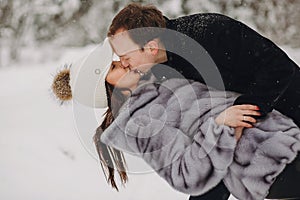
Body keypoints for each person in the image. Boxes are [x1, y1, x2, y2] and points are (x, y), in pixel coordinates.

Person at [106, 3, 300, 199]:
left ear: (151, 47)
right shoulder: (163, 73)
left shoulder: (210, 33)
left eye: (125, 57)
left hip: (292, 116)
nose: (123, 63)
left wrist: (241, 114)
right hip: (257, 154)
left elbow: (279, 68)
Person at [93, 60, 300, 200]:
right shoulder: (140, 124)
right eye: (114, 68)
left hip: (282, 138)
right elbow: (191, 171)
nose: (123, 62)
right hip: (268, 164)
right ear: (109, 87)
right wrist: (221, 124)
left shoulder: (159, 86)